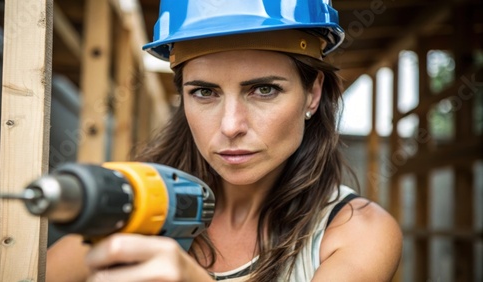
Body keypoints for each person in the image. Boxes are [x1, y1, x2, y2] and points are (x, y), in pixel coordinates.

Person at [46, 1, 402, 281]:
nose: (231, 126)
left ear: (312, 94)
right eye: (204, 92)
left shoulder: (356, 231)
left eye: (264, 90)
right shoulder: (139, 202)